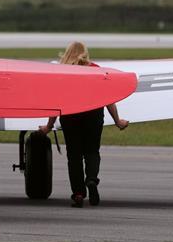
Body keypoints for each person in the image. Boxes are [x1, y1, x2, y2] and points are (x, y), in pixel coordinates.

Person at [40, 41, 129, 207]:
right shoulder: (96, 70)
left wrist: (48, 126)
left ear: (67, 53)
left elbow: (55, 102)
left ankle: (79, 193)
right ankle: (92, 180)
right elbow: (109, 100)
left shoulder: (62, 72)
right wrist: (118, 121)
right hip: (93, 115)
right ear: (85, 53)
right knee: (92, 151)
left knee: (74, 156)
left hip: (71, 116)